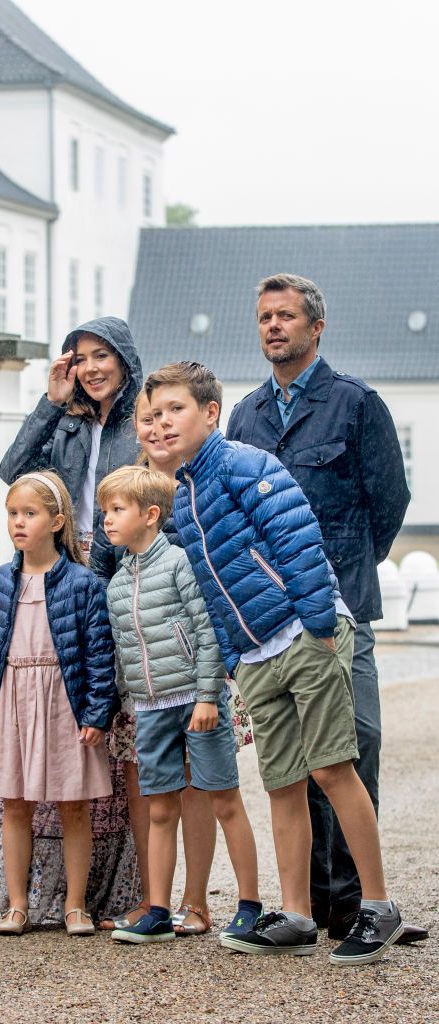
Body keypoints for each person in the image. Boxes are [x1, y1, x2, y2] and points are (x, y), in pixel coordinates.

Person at [149, 360, 404, 965]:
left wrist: (318, 625)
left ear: (211, 413)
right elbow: (212, 589)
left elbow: (297, 539)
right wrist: (235, 658)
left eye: (176, 410)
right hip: (256, 655)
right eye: (153, 415)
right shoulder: (184, 498)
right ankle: (296, 915)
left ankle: (378, 906)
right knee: (283, 783)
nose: (162, 423)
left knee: (332, 768)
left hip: (305, 635)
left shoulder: (245, 464)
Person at [225, 273, 426, 946]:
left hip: (341, 608)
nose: (273, 326)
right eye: (264, 317)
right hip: (271, 616)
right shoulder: (246, 416)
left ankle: (362, 905)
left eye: (285, 316)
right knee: (294, 758)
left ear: (316, 327)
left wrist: (346, 568)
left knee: (354, 742)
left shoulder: (355, 403)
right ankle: (309, 906)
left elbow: (389, 501)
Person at [91, 392, 254, 937]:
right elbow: (120, 641)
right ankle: (157, 907)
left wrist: (208, 693)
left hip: (196, 692)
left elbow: (206, 627)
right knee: (158, 803)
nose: (106, 520)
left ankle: (233, 904)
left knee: (218, 796)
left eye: (115, 512)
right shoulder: (118, 578)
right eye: (148, 419)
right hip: (150, 702)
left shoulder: (184, 546)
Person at [0, 471, 120, 936]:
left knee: (74, 805)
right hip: (15, 697)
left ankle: (75, 905)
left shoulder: (83, 583)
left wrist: (97, 713)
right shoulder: (1, 580)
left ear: (56, 521)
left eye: (29, 513)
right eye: (12, 513)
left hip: (63, 702)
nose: (18, 522)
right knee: (14, 803)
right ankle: (17, 905)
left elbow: (99, 654)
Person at [0, 316, 142, 556]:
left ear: (123, 360)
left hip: (125, 562)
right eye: (80, 360)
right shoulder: (66, 424)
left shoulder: (145, 426)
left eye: (101, 356)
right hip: (69, 562)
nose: (90, 368)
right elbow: (13, 470)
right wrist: (52, 403)